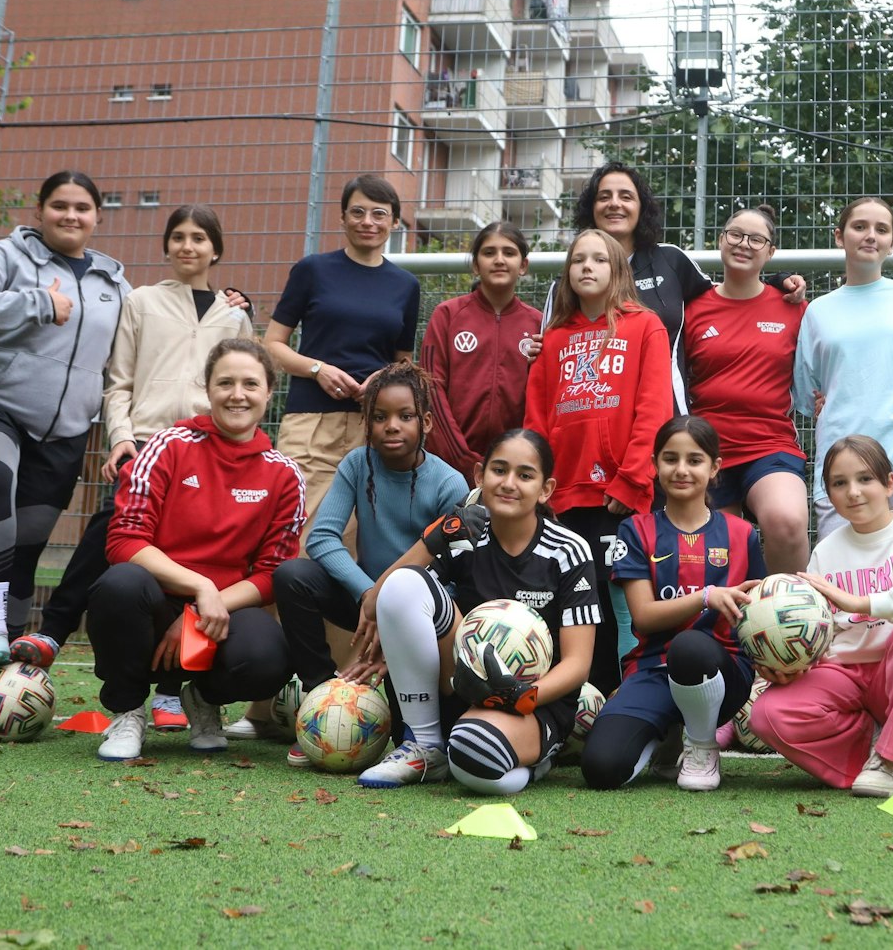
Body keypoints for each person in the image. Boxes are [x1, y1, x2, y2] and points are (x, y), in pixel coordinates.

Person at [8, 205, 252, 733]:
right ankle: (53, 629)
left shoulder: (234, 315)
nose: (188, 247)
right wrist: (121, 439)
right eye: (178, 238)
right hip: (146, 441)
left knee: (191, 557)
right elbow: (118, 381)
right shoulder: (140, 302)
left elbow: (243, 383)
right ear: (166, 247)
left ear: (217, 249)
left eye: (199, 238)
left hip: (208, 450)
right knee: (115, 530)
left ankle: (170, 690)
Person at [0, 170, 130, 672]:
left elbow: (154, 333)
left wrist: (226, 306)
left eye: (82, 207)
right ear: (39, 212)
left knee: (25, 546)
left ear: (97, 217)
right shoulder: (9, 255)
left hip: (61, 431)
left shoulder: (115, 283)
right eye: (59, 205)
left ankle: (0, 677)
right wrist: (35, 303)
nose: (70, 215)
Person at [85, 339, 306, 761]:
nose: (237, 394)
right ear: (208, 389)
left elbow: (270, 574)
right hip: (152, 606)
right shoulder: (169, 445)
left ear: (268, 392)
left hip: (220, 615)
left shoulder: (285, 475)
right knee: (120, 585)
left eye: (250, 384)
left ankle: (204, 699)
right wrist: (198, 587)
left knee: (268, 659)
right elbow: (124, 540)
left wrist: (204, 609)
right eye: (225, 383)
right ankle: (128, 709)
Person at [344, 430, 600, 793]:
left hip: (533, 702)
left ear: (545, 489)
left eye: (525, 475)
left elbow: (578, 663)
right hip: (464, 683)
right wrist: (436, 536)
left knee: (473, 757)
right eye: (499, 470)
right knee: (405, 583)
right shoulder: (461, 535)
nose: (509, 483)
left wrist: (522, 696)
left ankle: (533, 758)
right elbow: (377, 602)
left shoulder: (569, 550)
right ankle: (425, 746)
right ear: (479, 475)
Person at [268, 362, 468, 764]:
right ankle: (322, 704)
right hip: (363, 600)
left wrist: (392, 611)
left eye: (404, 416)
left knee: (400, 733)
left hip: (422, 616)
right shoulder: (357, 465)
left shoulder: (449, 483)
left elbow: (454, 575)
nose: (391, 426)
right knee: (293, 576)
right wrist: (368, 595)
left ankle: (418, 727)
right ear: (367, 422)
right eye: (379, 417)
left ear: (425, 421)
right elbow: (322, 537)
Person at [749, 435, 893, 798]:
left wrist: (861, 603)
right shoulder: (827, 550)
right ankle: (877, 749)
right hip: (844, 676)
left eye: (865, 479)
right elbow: (822, 634)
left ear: (889, 483)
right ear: (829, 495)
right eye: (839, 483)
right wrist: (788, 663)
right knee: (767, 715)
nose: (854, 492)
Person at [581, 416, 765, 792]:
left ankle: (701, 746)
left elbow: (759, 612)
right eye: (670, 459)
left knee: (691, 646)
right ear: (654, 465)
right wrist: (707, 597)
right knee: (601, 768)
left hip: (723, 672)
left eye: (694, 460)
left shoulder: (742, 534)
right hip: (653, 669)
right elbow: (644, 618)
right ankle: (664, 736)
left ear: (714, 468)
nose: (681, 470)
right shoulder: (635, 530)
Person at [524, 228, 672, 693]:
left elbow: (654, 410)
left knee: (622, 604)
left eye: (599, 260)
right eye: (578, 260)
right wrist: (538, 490)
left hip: (618, 495)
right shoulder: (553, 338)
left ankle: (631, 700)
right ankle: (581, 705)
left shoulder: (645, 325)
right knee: (575, 605)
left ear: (618, 270)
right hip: (562, 498)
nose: (587, 267)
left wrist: (632, 481)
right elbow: (536, 423)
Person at [265, 174, 420, 517]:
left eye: (379, 214)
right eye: (358, 212)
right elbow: (273, 346)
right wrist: (318, 369)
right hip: (311, 421)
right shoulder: (312, 270)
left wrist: (381, 381)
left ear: (394, 222)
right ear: (342, 217)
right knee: (297, 518)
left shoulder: (406, 286)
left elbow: (404, 364)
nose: (368, 222)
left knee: (360, 527)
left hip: (376, 424)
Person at [793, 197, 893, 538]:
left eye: (882, 229)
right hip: (842, 459)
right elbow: (808, 393)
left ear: (892, 242)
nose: (870, 235)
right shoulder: (817, 312)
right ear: (839, 236)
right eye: (859, 226)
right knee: (842, 572)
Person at [562, 161, 803, 359]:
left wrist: (778, 281)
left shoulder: (671, 261)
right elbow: (554, 339)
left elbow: (726, 295)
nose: (615, 203)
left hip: (664, 409)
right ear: (591, 207)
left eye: (626, 196)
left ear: (641, 207)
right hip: (597, 402)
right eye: (604, 197)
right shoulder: (572, 278)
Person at [679, 205, 809, 572]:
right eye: (735, 234)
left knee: (788, 521)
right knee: (720, 554)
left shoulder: (793, 308)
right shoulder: (691, 309)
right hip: (706, 450)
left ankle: (790, 615)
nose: (744, 244)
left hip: (769, 444)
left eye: (757, 239)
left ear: (770, 252)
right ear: (721, 240)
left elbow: (823, 364)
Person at [422, 222, 542, 478]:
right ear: (476, 265)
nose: (499, 260)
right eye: (489, 253)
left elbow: (543, 398)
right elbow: (430, 386)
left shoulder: (538, 323)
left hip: (513, 467)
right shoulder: (448, 315)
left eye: (509, 253)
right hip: (450, 465)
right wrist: (461, 457)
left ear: (523, 266)